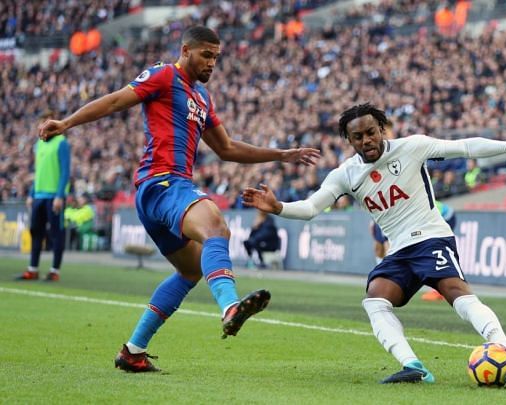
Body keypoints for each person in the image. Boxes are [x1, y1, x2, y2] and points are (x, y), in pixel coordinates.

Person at [39, 26, 320, 373]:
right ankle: (230, 306)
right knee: (216, 226)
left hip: (165, 191)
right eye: (207, 54)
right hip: (162, 183)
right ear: (186, 50)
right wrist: (67, 122)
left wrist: (281, 155)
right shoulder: (163, 75)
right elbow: (115, 100)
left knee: (190, 269)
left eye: (216, 57)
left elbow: (227, 148)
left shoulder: (202, 98)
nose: (213, 63)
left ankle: (133, 351)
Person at [243, 103, 506, 384]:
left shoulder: (412, 147)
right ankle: (413, 367)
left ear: (382, 129)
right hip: (398, 250)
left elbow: (464, 147)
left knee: (454, 291)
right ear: (349, 140)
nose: (366, 140)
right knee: (375, 298)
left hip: (431, 237)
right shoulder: (345, 174)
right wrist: (278, 206)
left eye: (371, 132)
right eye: (357, 136)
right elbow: (310, 208)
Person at [17, 110, 71, 282]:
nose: (43, 127)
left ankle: (54, 270)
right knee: (36, 232)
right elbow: (37, 171)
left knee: (56, 233)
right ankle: (32, 269)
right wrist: (32, 193)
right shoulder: (38, 144)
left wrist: (59, 196)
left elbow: (65, 172)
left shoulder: (62, 143)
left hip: (53, 197)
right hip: (38, 196)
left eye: (46, 123)